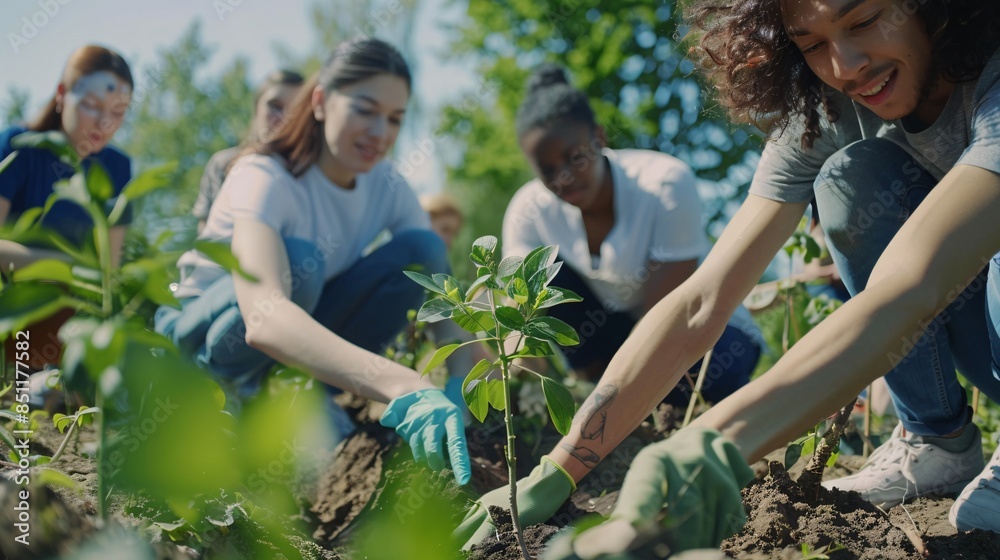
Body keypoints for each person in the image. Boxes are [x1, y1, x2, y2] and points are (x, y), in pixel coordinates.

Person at [460, 0, 1000, 552]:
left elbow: (908, 288)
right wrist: (561, 466)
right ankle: (940, 444)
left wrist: (711, 441)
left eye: (863, 21)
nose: (845, 65)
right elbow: (700, 302)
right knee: (850, 180)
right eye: (811, 44)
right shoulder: (828, 110)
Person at [153, 38, 470, 485]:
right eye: (365, 109)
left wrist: (463, 382)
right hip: (202, 340)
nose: (380, 132)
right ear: (320, 101)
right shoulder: (264, 176)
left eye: (395, 119)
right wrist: (403, 383)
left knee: (422, 249)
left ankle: (300, 400)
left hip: (289, 334)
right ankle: (217, 403)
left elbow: (442, 288)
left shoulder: (385, 184)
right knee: (300, 259)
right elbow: (264, 316)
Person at [502, 65, 762, 405]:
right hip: (619, 338)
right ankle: (597, 387)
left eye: (575, 158)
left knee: (702, 377)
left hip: (700, 332)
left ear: (599, 137)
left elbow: (663, 317)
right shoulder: (528, 209)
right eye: (547, 170)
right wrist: (518, 381)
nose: (563, 178)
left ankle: (649, 403)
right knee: (542, 271)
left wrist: (608, 404)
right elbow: (515, 309)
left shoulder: (664, 184)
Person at [1, 44, 134, 271]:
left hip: (75, 304)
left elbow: (110, 270)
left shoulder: (118, 168)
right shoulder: (19, 146)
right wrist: (75, 270)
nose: (105, 122)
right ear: (61, 94)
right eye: (92, 105)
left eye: (118, 112)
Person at [193, 69, 305, 233]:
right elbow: (206, 232)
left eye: (295, 111)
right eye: (275, 106)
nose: (284, 118)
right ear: (256, 108)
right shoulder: (224, 163)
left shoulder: (310, 169)